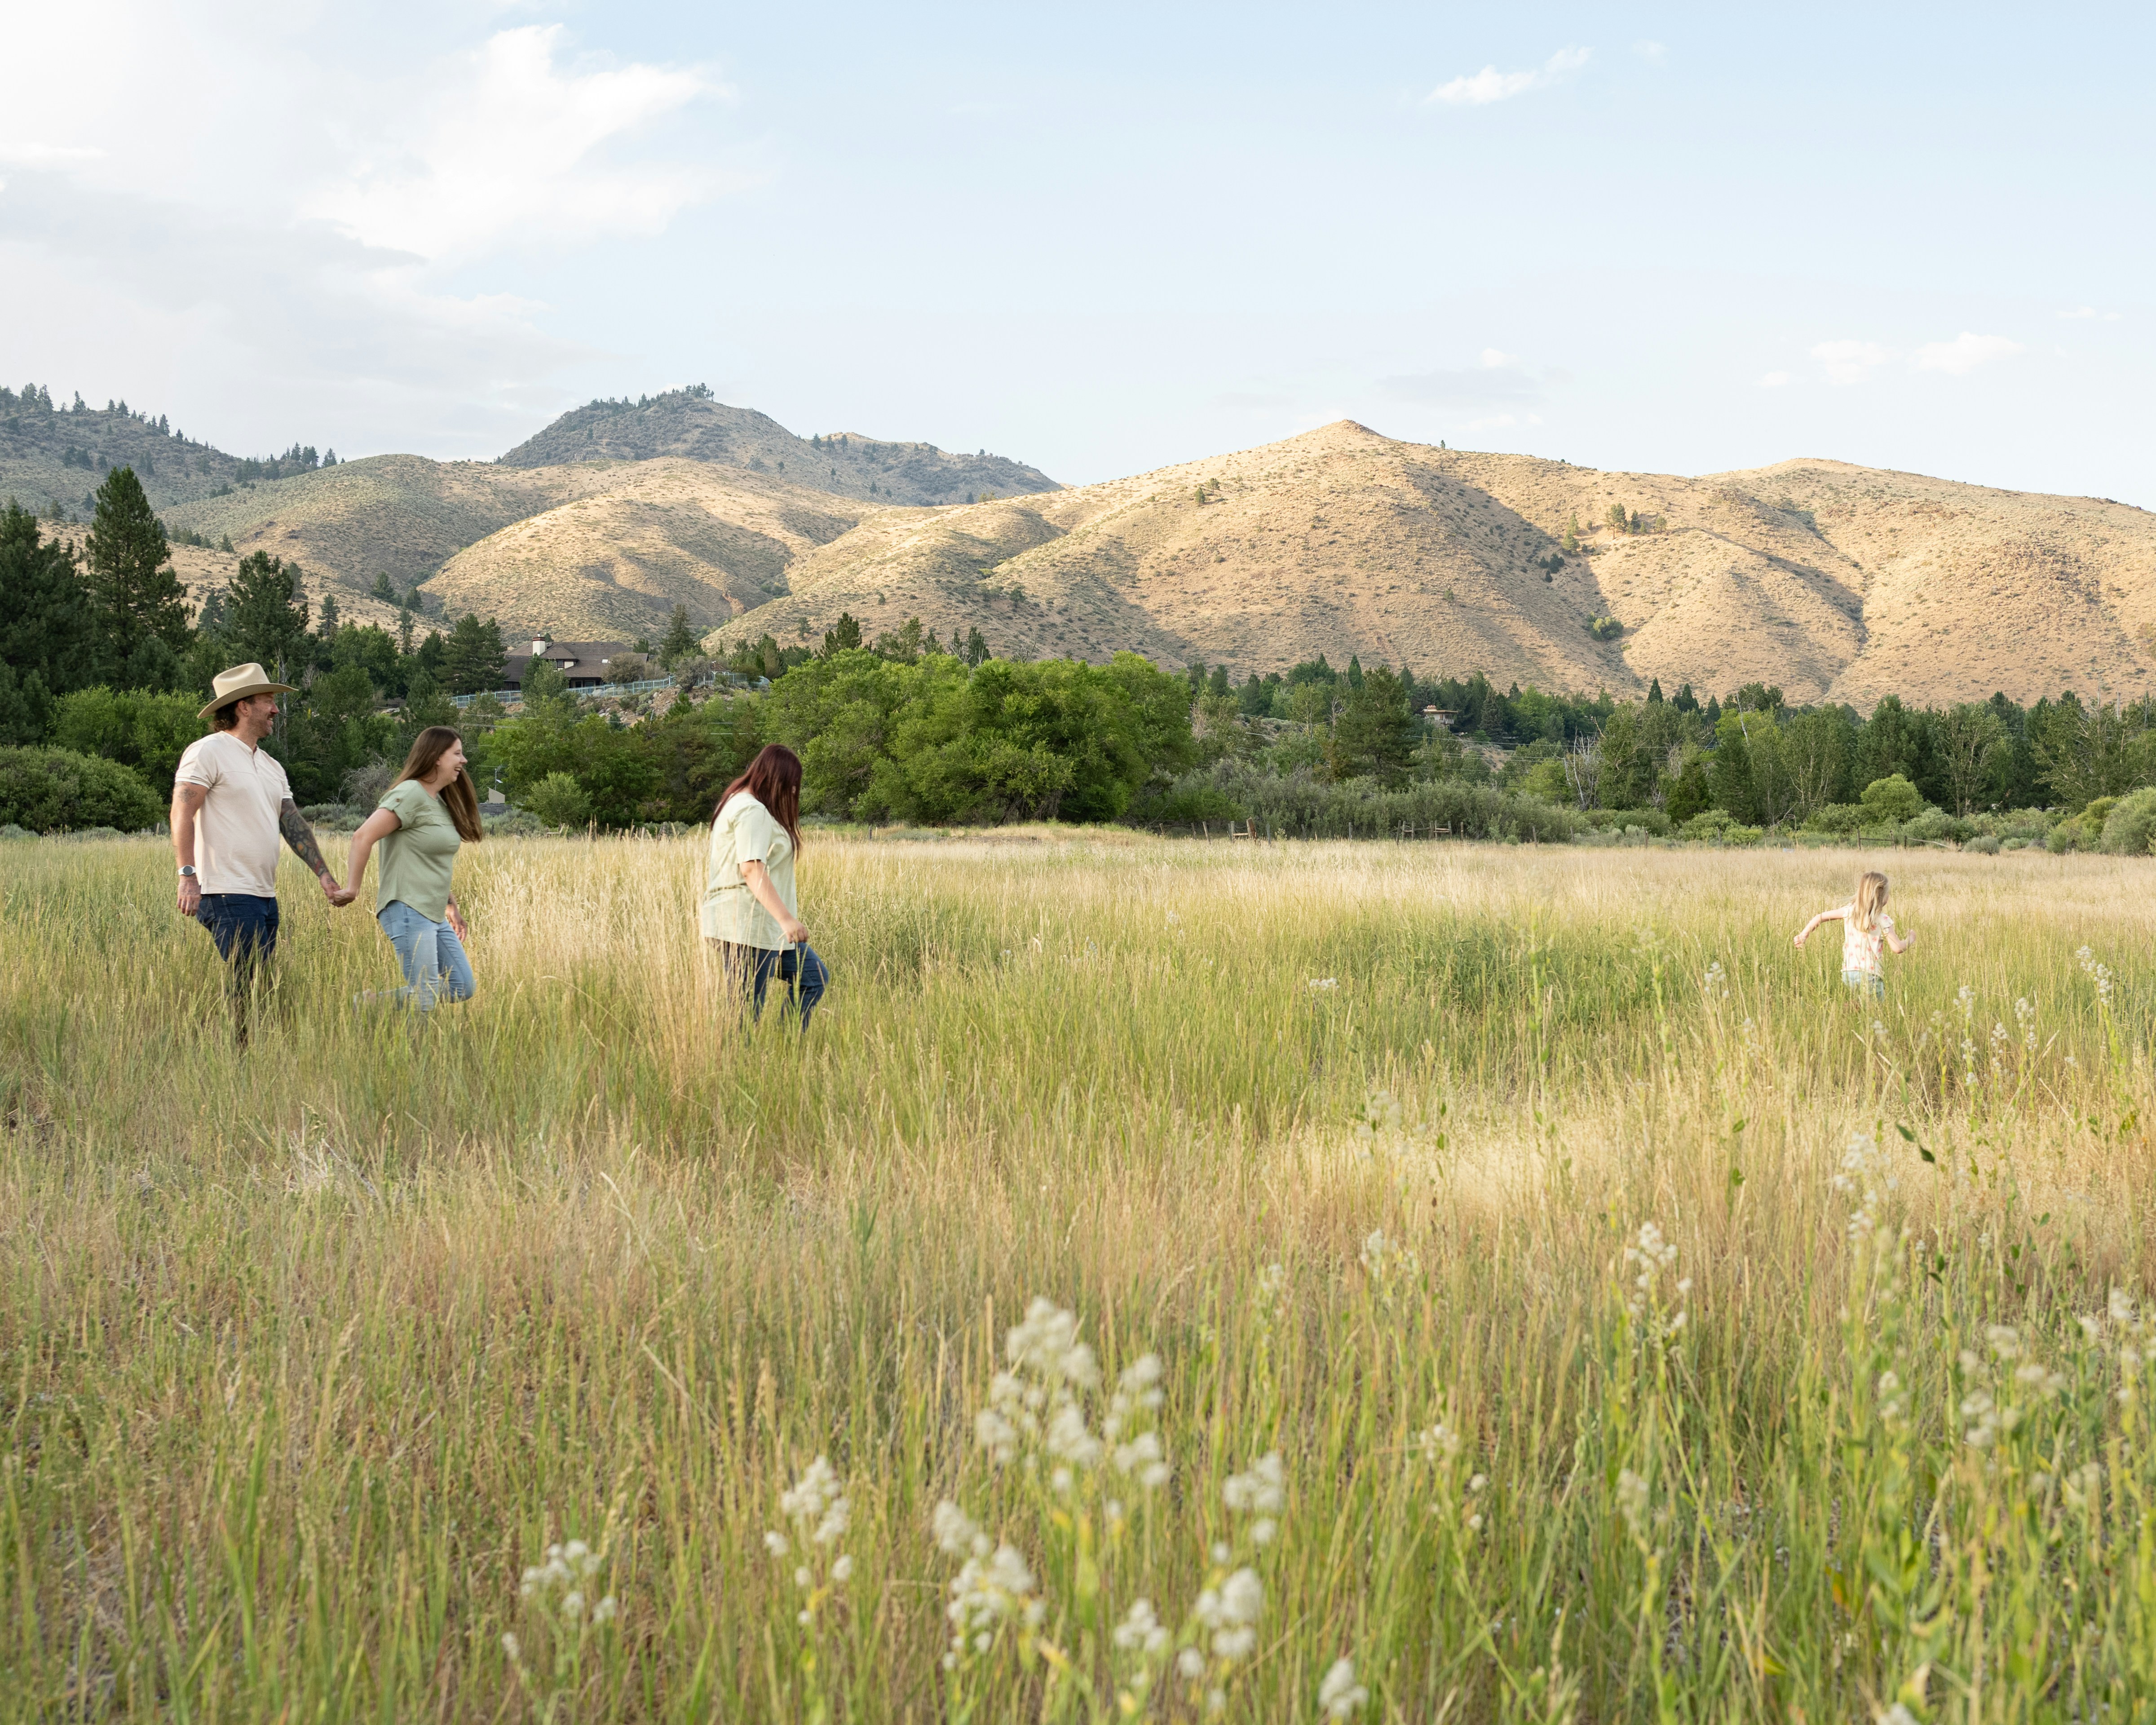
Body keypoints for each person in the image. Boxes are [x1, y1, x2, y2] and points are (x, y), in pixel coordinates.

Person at [172, 662, 356, 1044]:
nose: (276, 710)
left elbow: (293, 825)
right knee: (248, 981)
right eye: (268, 701)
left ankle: (252, 1054)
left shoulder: (271, 766)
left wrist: (323, 874)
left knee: (258, 980)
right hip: (225, 890)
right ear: (243, 706)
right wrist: (187, 875)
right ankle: (238, 1062)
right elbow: (182, 811)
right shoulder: (208, 751)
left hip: (263, 894)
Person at [344, 726, 483, 1012]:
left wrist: (451, 906)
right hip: (407, 908)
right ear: (436, 758)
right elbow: (362, 837)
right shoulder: (409, 794)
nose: (464, 760)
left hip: (432, 912)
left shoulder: (438, 802)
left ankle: (373, 1005)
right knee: (425, 995)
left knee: (462, 986)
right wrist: (352, 889)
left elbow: (430, 861)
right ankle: (416, 1055)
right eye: (457, 753)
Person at [703, 743, 829, 1026]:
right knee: (745, 1016)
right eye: (792, 784)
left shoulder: (738, 802)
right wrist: (787, 920)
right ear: (777, 779)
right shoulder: (752, 810)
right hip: (747, 926)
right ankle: (738, 1066)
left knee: (814, 977)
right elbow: (751, 869)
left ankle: (788, 1050)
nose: (795, 792)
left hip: (760, 927)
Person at [1794, 869, 1913, 998]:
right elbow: (1897, 948)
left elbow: (1820, 917)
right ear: (1881, 896)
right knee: (1875, 1012)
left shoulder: (1849, 911)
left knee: (1856, 1005)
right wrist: (1911, 938)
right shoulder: (1882, 919)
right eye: (1888, 893)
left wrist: (1803, 935)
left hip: (1849, 972)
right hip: (1870, 974)